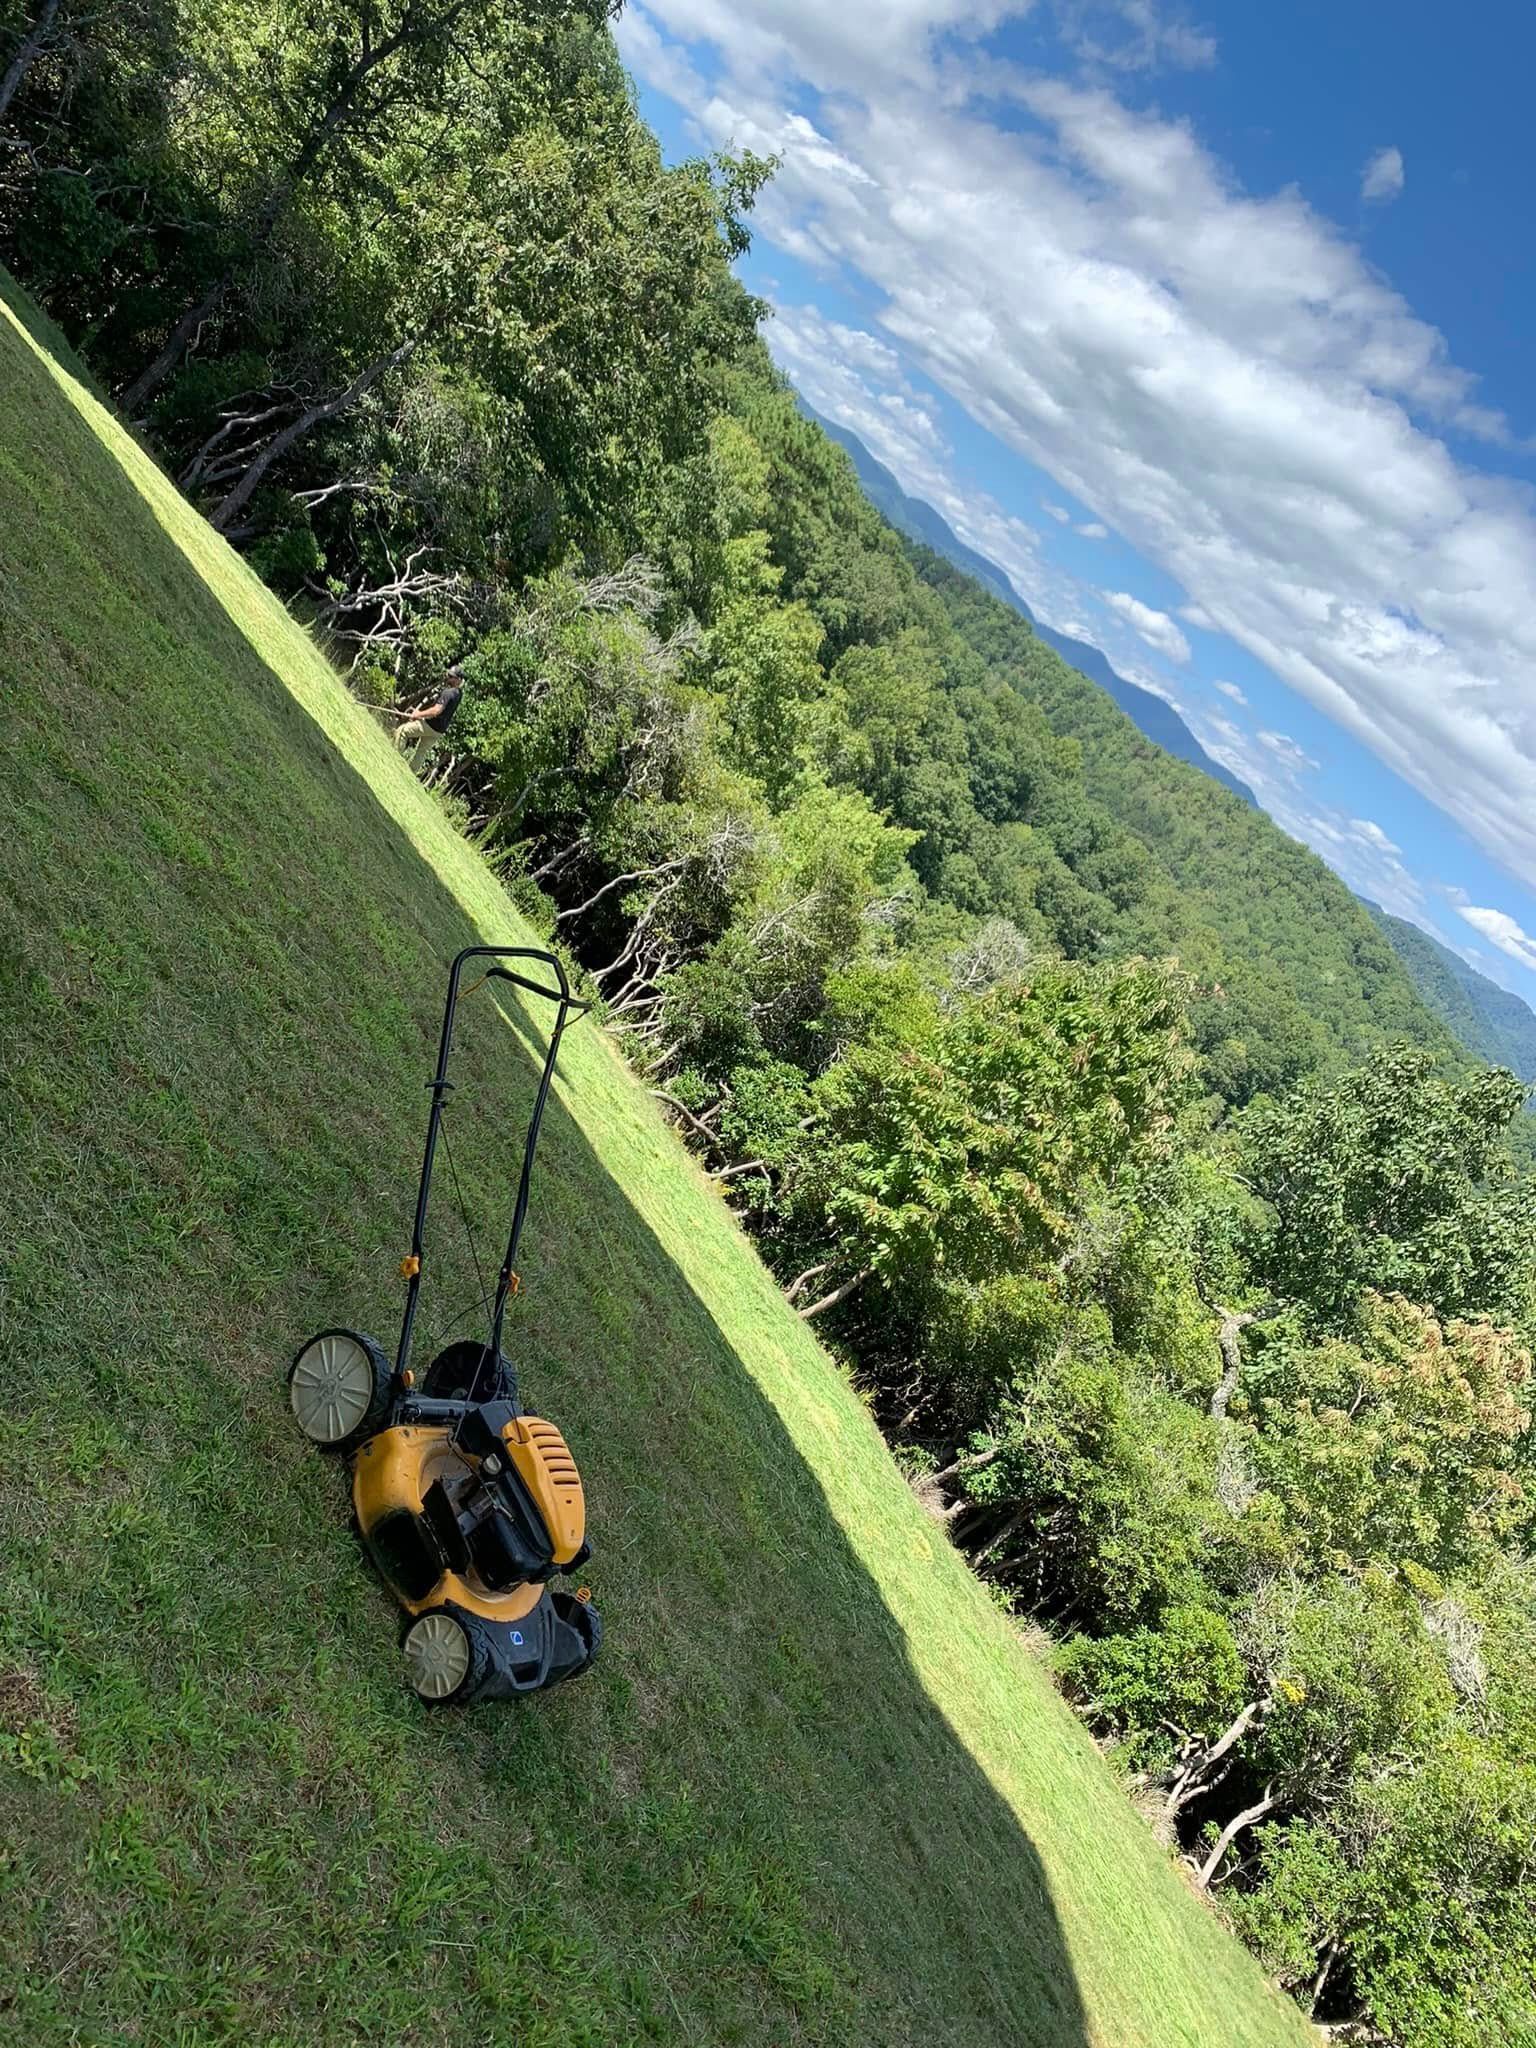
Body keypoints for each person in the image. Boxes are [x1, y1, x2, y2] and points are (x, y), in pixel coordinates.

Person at [392, 665, 465, 773]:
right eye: (448, 674)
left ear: (458, 680)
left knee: (402, 731)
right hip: (439, 731)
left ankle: (393, 758)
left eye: (451, 676)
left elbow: (436, 711)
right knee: (421, 752)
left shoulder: (448, 693)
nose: (447, 677)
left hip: (430, 725)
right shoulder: (459, 693)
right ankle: (409, 774)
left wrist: (418, 714)